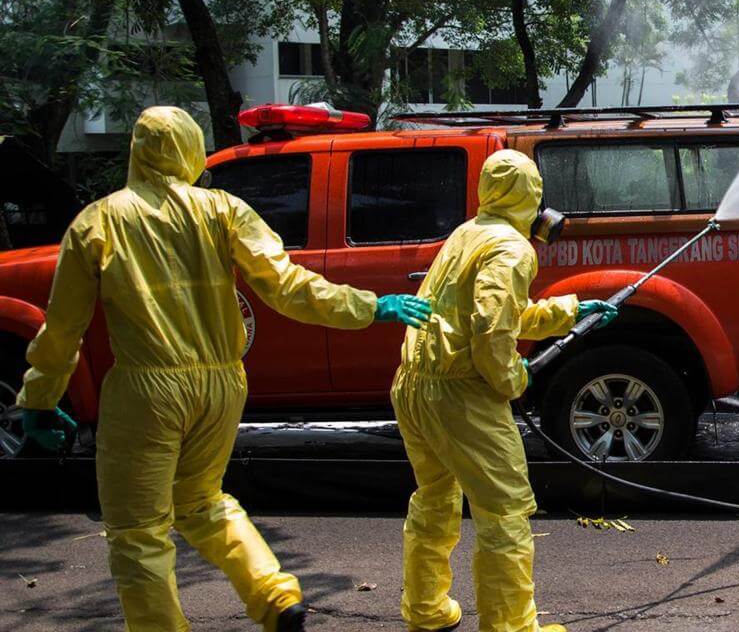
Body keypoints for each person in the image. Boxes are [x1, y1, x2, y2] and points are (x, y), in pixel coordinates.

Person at [14, 106, 432, 631]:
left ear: (136, 152)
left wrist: (38, 397)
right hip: (222, 384)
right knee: (203, 501)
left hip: (145, 388)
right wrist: (372, 306)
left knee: (138, 531)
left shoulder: (100, 220)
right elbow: (288, 287)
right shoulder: (224, 210)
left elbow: (63, 327)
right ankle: (275, 595)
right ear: (192, 148)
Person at [391, 149, 615, 632]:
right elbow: (492, 331)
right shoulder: (514, 250)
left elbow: (490, 315)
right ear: (532, 196)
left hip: (415, 382)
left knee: (434, 498)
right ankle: (510, 626)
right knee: (505, 512)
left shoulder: (467, 233)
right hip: (460, 396)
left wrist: (570, 311)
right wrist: (514, 378)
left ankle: (426, 609)